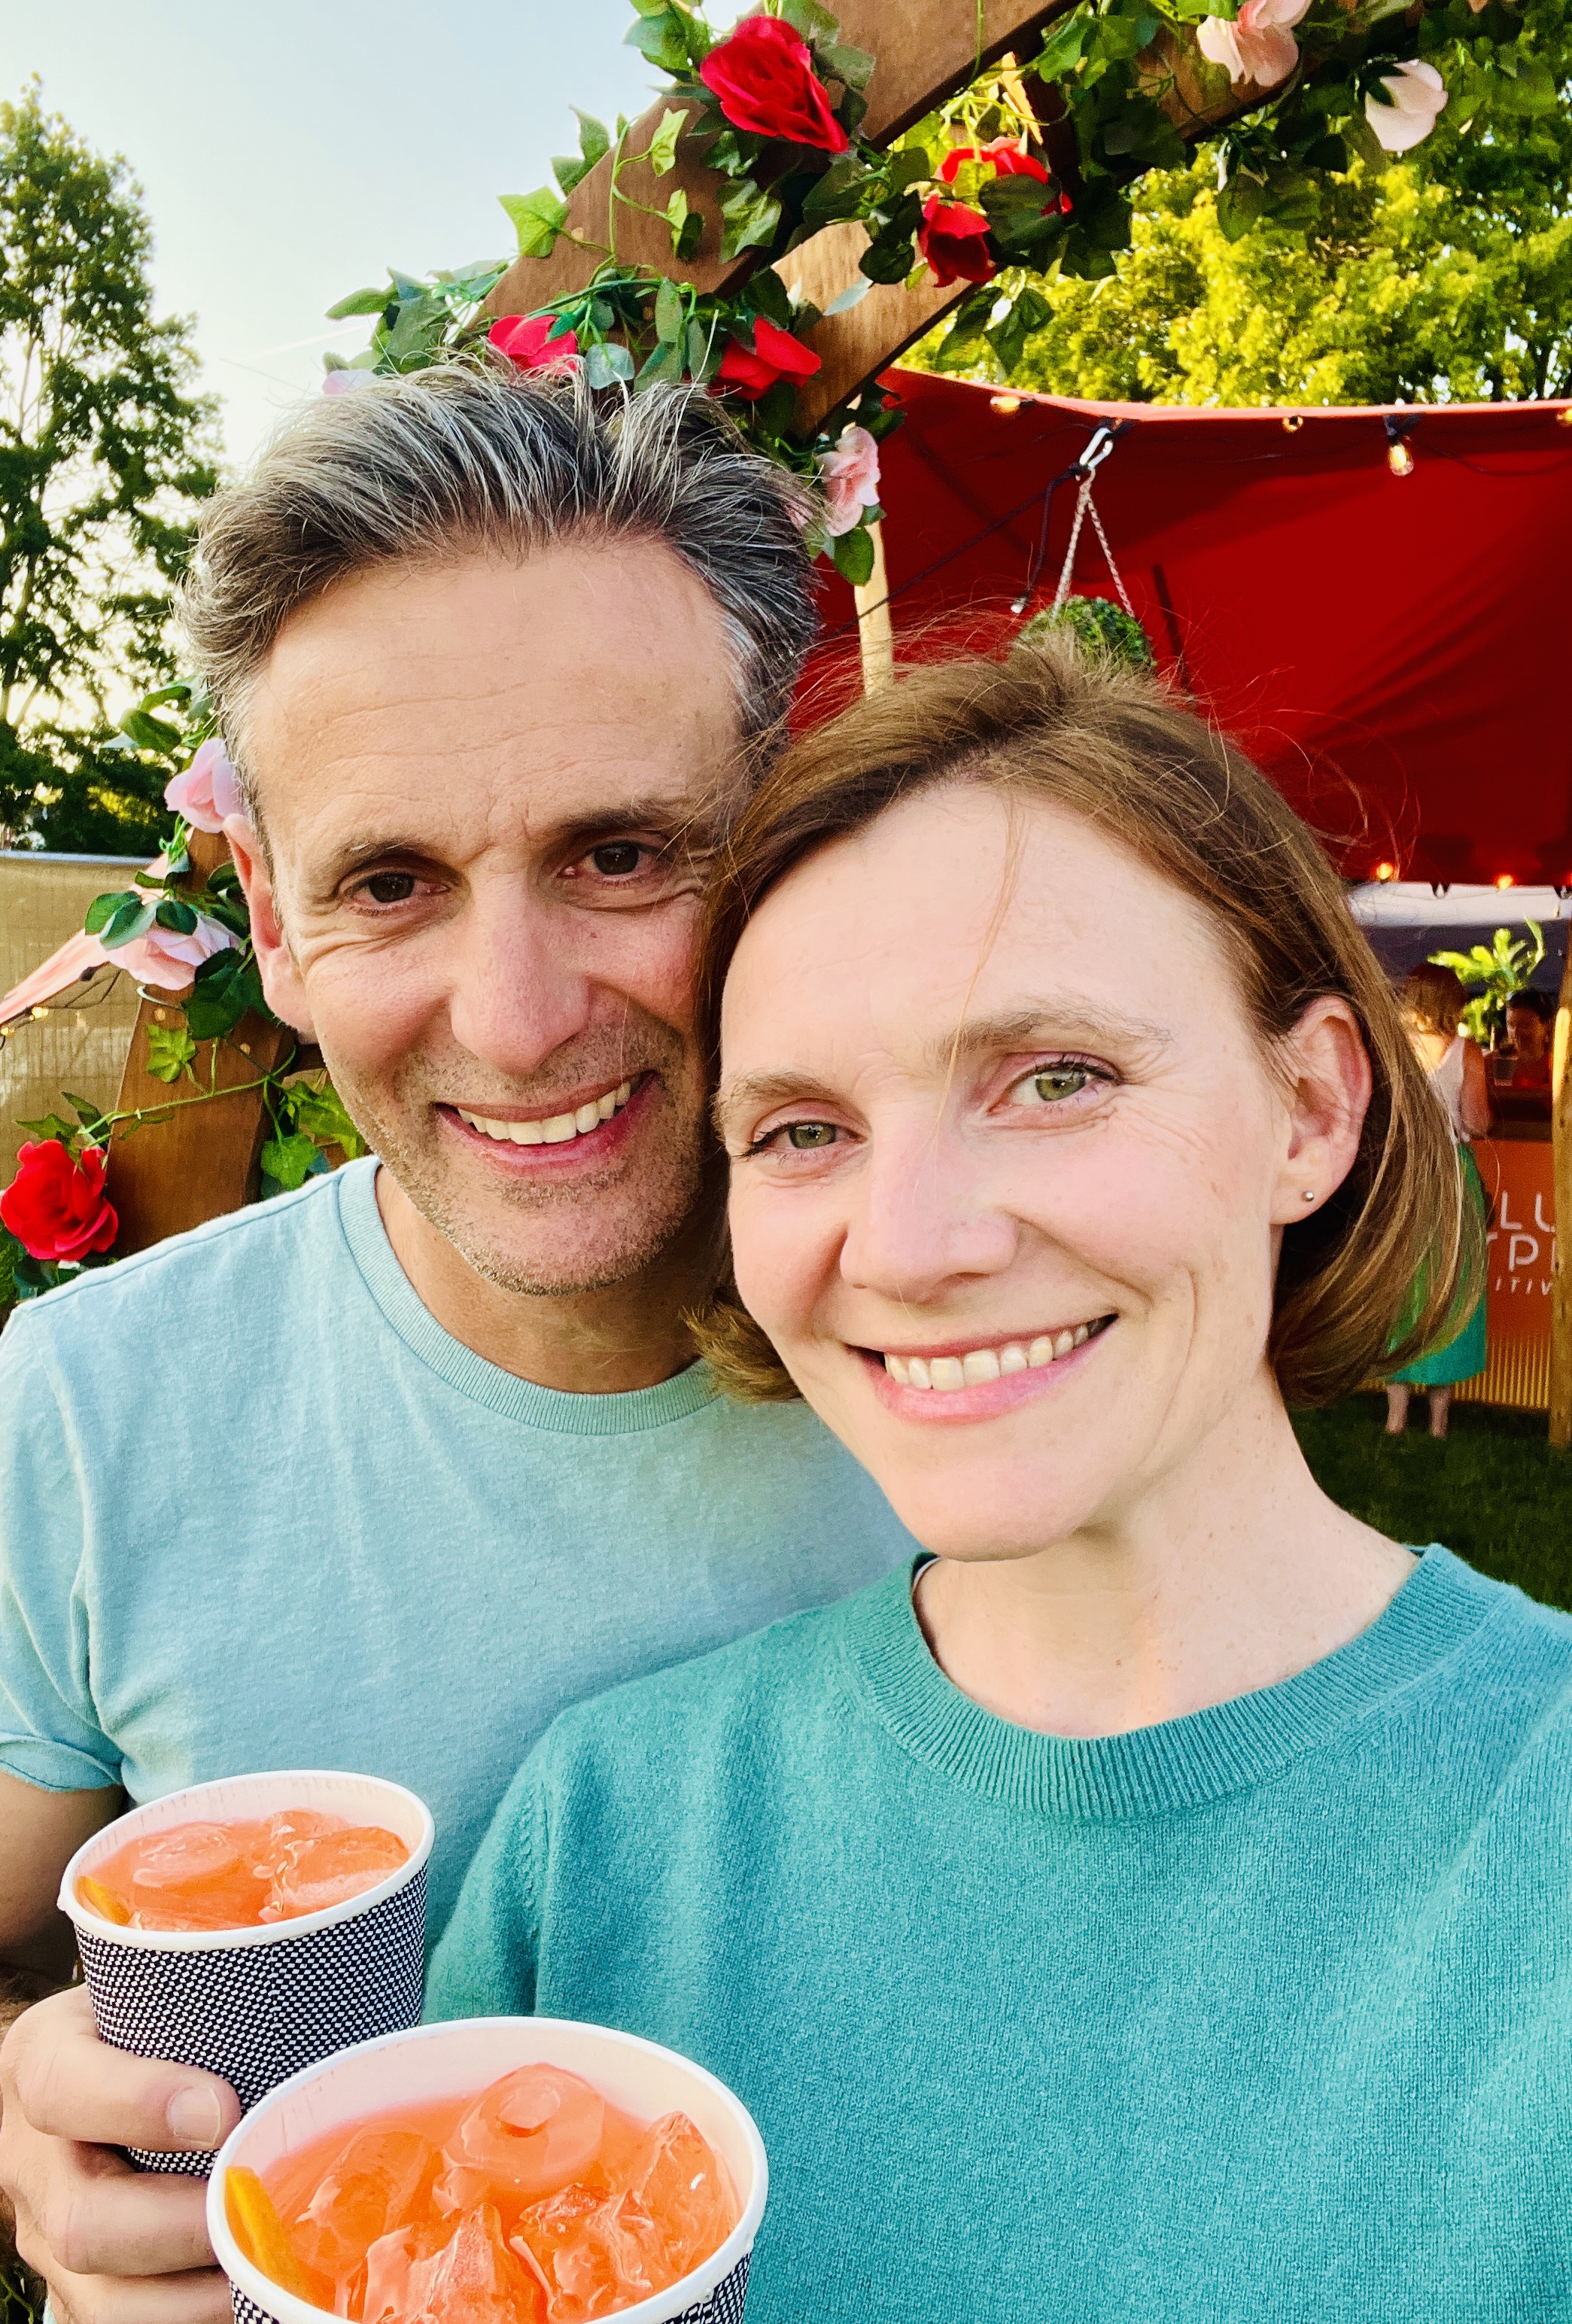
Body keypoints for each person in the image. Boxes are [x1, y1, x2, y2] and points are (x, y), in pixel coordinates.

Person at [0, 367, 914, 2313]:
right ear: (268, 912)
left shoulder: (993, 1378)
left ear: (782, 835)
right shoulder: (98, 1411)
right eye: (391, 883)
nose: (513, 1017)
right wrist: (15, 2116)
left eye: (620, 853)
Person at [430, 644, 1572, 2318]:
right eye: (803, 1129)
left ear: (1312, 1107)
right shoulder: (609, 1836)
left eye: (1054, 1078)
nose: (908, 1245)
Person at [1383, 960, 1491, 1437]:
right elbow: (1477, 1123)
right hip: (1451, 1174)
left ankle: (1395, 1416)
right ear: (1453, 1002)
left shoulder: (1391, 1047)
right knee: (1452, 1285)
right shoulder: (1467, 1052)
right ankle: (1439, 1421)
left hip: (1405, 1173)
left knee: (1398, 1286)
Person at [1501, 985, 1555, 1091]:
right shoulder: (1494, 1064)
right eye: (1511, 1025)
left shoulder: (1558, 1067)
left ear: (1546, 1026)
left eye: (1525, 1025)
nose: (1516, 1032)